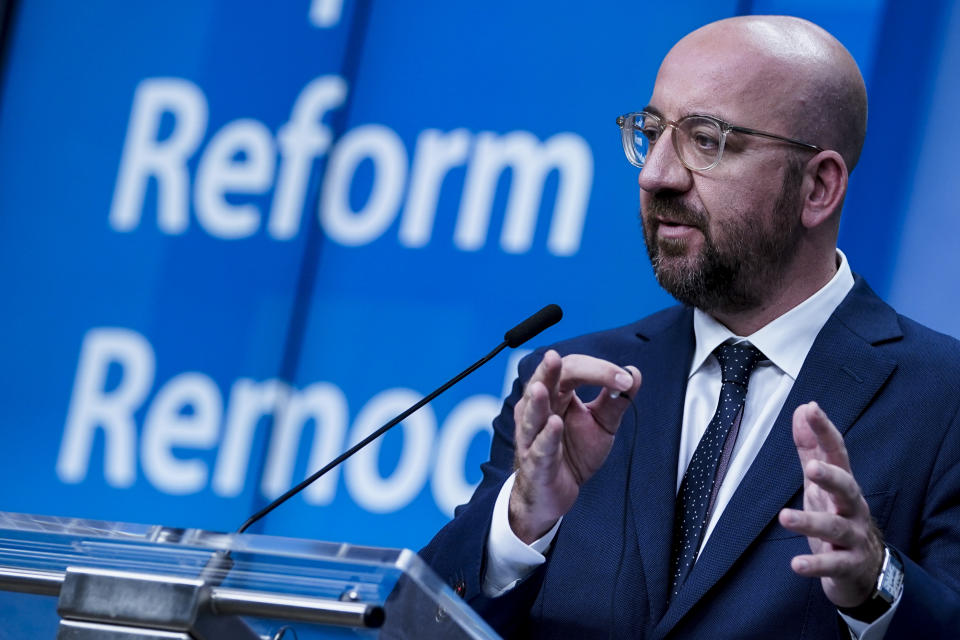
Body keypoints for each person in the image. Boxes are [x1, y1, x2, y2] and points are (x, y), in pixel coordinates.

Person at [419, 14, 960, 639]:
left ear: (819, 186)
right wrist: (518, 529)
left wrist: (879, 587)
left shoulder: (942, 398)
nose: (656, 174)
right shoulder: (573, 386)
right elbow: (421, 623)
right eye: (651, 133)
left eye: (707, 140)